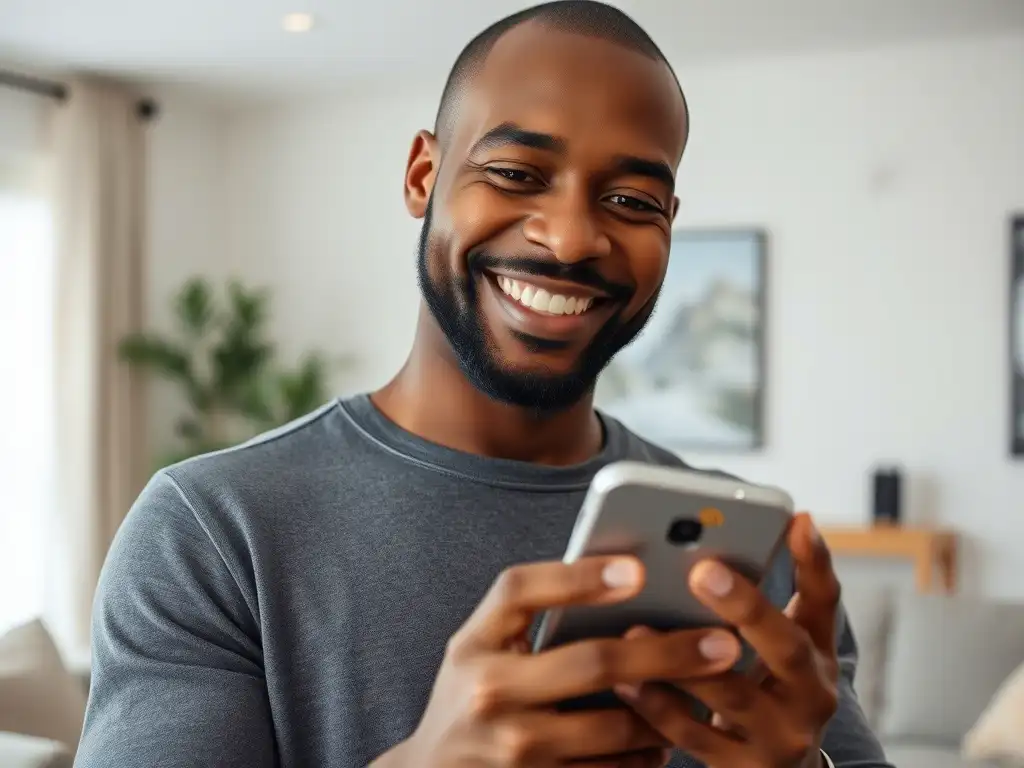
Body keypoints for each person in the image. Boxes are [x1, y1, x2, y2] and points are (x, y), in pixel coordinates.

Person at [75, 2, 893, 767]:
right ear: (423, 176)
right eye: (514, 173)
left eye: (629, 199)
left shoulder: (752, 563)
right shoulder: (212, 533)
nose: (571, 238)